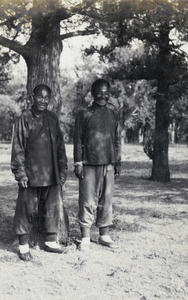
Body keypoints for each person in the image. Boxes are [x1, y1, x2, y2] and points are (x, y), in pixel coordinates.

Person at [11, 84, 68, 261]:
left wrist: (62, 169)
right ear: (32, 97)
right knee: (26, 209)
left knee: (51, 208)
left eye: (46, 98)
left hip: (51, 173)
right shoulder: (24, 118)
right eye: (39, 97)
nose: (43, 100)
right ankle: (23, 245)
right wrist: (21, 173)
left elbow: (60, 147)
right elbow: (18, 148)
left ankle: (51, 241)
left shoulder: (52, 118)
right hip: (30, 174)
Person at [73, 78, 121, 251]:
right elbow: (78, 139)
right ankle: (85, 237)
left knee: (106, 199)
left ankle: (104, 235)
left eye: (106, 93)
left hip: (108, 163)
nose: (103, 96)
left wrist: (117, 161)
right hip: (88, 162)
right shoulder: (84, 114)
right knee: (87, 199)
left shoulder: (113, 114)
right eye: (99, 92)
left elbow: (116, 140)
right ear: (92, 94)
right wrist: (78, 162)